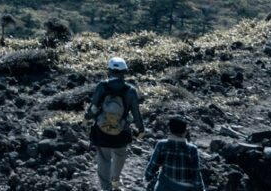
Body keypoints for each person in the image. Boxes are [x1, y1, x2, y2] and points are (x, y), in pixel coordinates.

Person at [84, 56, 142, 190]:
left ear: (109, 71)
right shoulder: (131, 90)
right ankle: (115, 182)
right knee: (120, 156)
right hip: (122, 131)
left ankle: (106, 188)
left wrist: (86, 119)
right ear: (124, 72)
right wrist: (141, 129)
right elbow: (136, 113)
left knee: (104, 158)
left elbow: (93, 108)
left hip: (102, 130)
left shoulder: (102, 86)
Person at [145, 117, 205, 190]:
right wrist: (200, 189)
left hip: (165, 185)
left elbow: (153, 164)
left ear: (170, 130)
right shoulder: (192, 149)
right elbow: (196, 173)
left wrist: (147, 177)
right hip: (185, 187)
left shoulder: (161, 145)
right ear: (185, 131)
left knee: (162, 177)